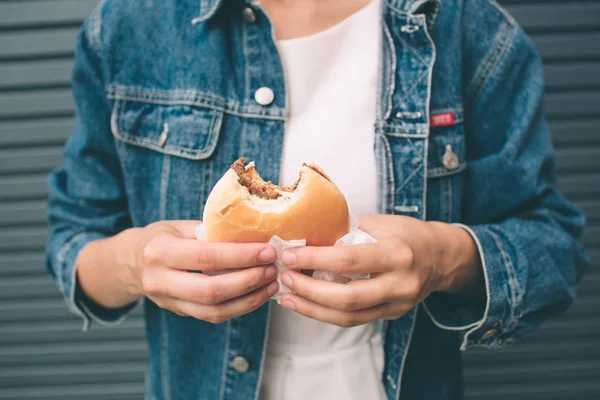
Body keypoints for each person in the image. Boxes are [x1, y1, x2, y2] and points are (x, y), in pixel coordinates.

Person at [45, 0, 589, 399]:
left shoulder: (471, 29)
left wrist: (444, 258)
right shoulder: (128, 27)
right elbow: (74, 239)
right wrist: (134, 264)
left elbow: (554, 248)